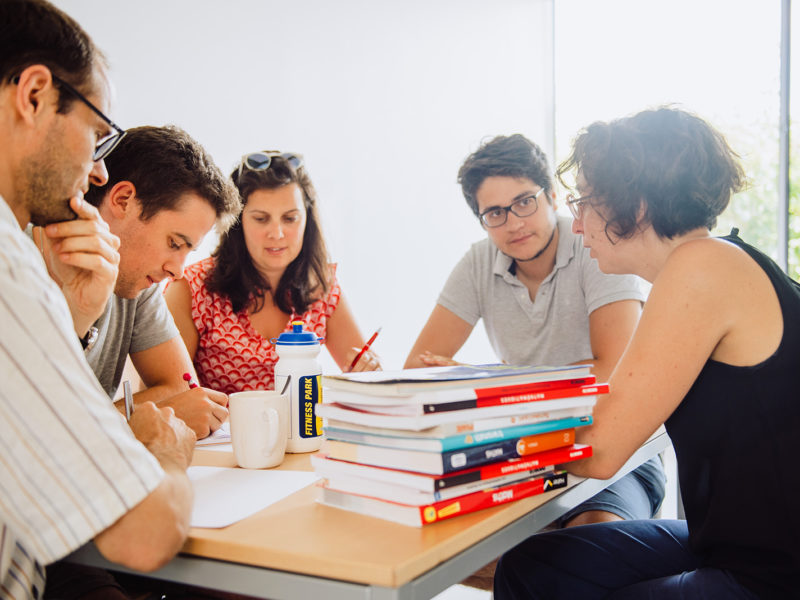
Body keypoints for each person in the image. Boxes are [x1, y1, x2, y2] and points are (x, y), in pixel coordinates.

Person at [494, 107, 800, 599]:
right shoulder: (713, 263)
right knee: (534, 565)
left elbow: (599, 448)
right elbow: (616, 405)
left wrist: (469, 442)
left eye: (586, 203)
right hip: (731, 546)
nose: (578, 225)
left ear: (634, 205)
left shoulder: (702, 268)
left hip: (772, 575)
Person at [0, 1, 195, 598]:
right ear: (34, 95)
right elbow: (145, 534)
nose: (97, 171)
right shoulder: (8, 264)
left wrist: (71, 316)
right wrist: (169, 460)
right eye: (98, 133)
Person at [405, 134, 665, 534]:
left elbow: (613, 370)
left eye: (524, 202)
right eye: (494, 213)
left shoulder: (594, 246)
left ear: (553, 197)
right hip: (524, 450)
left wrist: (494, 385)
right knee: (432, 532)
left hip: (614, 451)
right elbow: (417, 370)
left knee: (590, 543)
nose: (514, 223)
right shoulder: (479, 261)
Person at [39, 124, 240, 439]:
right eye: (175, 243)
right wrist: (141, 422)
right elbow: (33, 426)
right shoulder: (23, 261)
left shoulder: (135, 282)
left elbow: (180, 385)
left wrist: (115, 423)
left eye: (188, 251)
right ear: (122, 200)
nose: (177, 271)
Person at [165, 151, 381, 393]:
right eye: (261, 219)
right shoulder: (191, 287)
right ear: (238, 222)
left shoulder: (323, 285)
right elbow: (172, 393)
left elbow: (364, 378)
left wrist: (368, 373)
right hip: (220, 430)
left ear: (307, 221)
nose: (277, 233)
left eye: (290, 219)